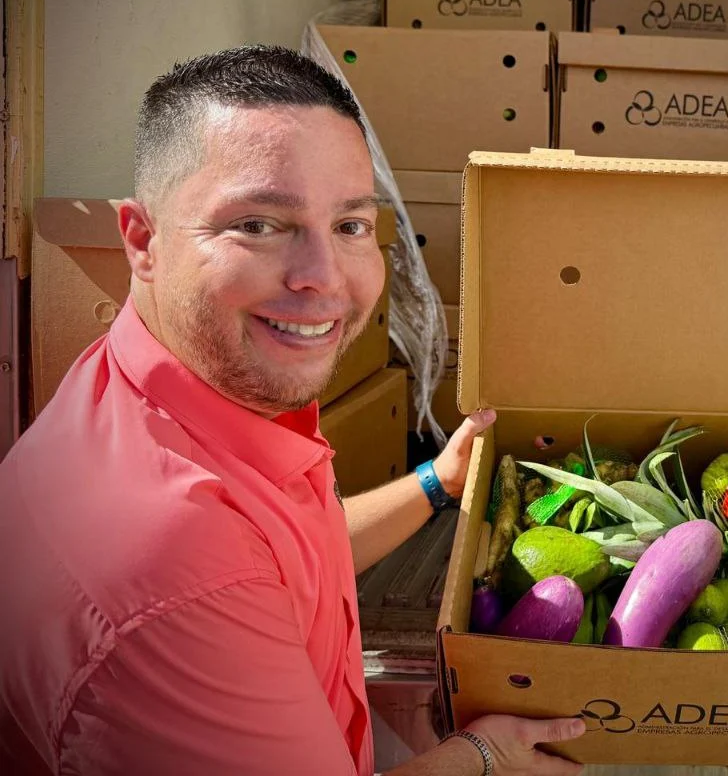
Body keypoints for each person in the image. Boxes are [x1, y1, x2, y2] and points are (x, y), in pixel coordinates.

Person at [0, 46, 583, 776]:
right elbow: (216, 574)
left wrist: (436, 482)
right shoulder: (168, 566)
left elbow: (287, 555)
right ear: (142, 241)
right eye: (258, 225)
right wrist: (483, 758)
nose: (323, 279)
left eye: (349, 226)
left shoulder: (173, 390)